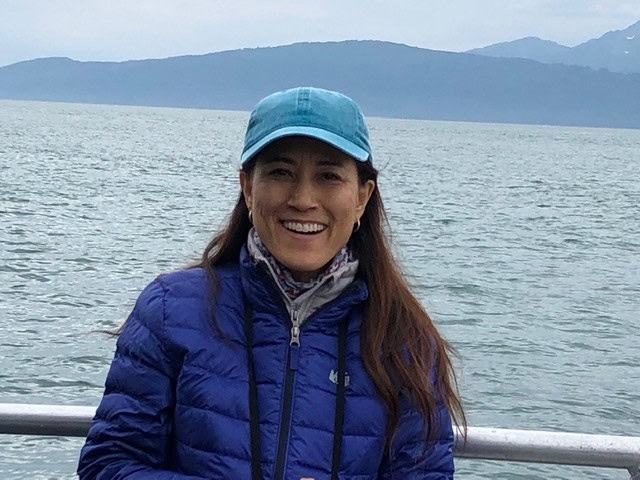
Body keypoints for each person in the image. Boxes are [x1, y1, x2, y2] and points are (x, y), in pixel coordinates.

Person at [77, 87, 466, 479]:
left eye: (329, 175)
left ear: (362, 197)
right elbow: (108, 463)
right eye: (280, 172)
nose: (303, 198)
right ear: (247, 187)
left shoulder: (403, 339)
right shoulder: (169, 310)